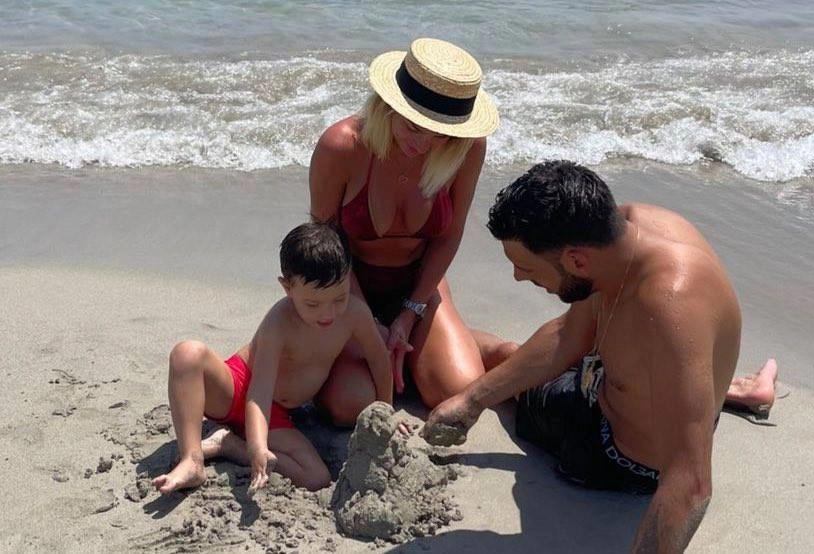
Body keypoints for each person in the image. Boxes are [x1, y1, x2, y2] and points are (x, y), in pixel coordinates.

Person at [421, 161, 778, 552]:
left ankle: (417, 338)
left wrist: (479, 393)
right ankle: (734, 390)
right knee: (524, 362)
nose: (519, 278)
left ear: (576, 261)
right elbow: (568, 334)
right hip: (641, 384)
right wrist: (472, 400)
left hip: (618, 456)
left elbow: (690, 484)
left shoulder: (669, 309)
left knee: (505, 357)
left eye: (525, 268)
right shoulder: (627, 228)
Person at [309, 37, 516, 425]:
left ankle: (439, 341)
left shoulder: (467, 147)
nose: (424, 143)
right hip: (345, 287)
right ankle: (450, 344)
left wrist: (409, 312)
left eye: (441, 134)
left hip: (419, 287)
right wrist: (363, 320)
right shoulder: (343, 146)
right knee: (351, 407)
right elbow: (324, 245)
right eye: (414, 127)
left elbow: (449, 235)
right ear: (388, 105)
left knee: (454, 390)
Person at [152, 222, 391, 494]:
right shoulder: (279, 321)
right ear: (287, 287)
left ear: (350, 277)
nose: (328, 313)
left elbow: (378, 359)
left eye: (339, 298)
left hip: (277, 414)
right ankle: (192, 459)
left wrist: (387, 410)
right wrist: (258, 446)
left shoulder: (355, 315)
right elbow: (259, 393)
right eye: (313, 304)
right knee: (187, 353)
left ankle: (229, 446)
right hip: (237, 390)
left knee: (316, 477)